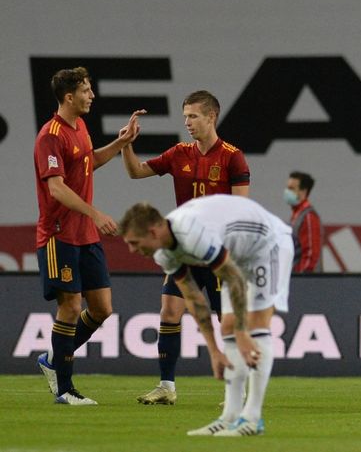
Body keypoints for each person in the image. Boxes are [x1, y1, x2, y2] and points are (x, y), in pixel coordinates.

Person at [119, 195, 293, 436]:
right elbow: (194, 299)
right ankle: (230, 417)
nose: (132, 250)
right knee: (228, 326)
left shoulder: (191, 232)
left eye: (134, 242)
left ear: (153, 232)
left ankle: (252, 419)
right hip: (239, 254)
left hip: (269, 243)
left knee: (255, 325)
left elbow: (234, 279)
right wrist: (214, 351)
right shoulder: (164, 253)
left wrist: (243, 333)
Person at [120, 90, 250, 405]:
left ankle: (236, 389)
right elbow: (136, 172)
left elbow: (240, 210)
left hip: (218, 256)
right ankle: (166, 386)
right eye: (185, 117)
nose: (188, 123)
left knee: (227, 324)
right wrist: (125, 144)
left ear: (211, 117)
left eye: (193, 116)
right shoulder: (179, 153)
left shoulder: (232, 156)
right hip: (184, 252)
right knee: (168, 312)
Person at [33, 66, 145, 405]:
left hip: (84, 237)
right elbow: (56, 188)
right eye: (86, 90)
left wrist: (121, 142)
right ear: (70, 97)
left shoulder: (80, 127)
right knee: (70, 306)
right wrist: (96, 213)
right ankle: (65, 389)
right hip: (58, 235)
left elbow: (87, 163)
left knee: (101, 308)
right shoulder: (50, 136)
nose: (92, 96)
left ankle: (53, 360)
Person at [285, 171, 323, 273]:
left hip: (307, 283)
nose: (286, 191)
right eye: (287, 187)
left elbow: (311, 256)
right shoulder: (296, 215)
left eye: (291, 188)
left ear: (303, 191)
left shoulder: (309, 217)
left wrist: (302, 280)